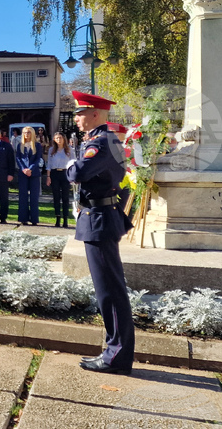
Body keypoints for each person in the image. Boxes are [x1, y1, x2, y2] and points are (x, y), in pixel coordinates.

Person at [68, 90, 134, 375]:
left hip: (100, 220)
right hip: (97, 217)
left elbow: (77, 173)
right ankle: (113, 350)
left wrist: (71, 166)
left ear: (96, 113)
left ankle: (116, 356)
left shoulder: (103, 141)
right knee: (107, 290)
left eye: (80, 113)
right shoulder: (101, 140)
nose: (77, 118)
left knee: (110, 292)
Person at [47, 131, 74, 229]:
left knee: (65, 197)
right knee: (56, 197)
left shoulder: (69, 150)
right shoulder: (51, 150)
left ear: (64, 139)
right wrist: (48, 176)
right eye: (57, 138)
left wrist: (72, 176)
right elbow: (49, 164)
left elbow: (73, 163)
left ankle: (65, 219)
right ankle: (57, 218)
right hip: (55, 174)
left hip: (65, 173)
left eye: (60, 138)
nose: (59, 140)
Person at [16, 126, 43, 226]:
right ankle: (23, 218)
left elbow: (37, 159)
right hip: (23, 174)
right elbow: (18, 158)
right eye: (24, 132)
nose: (26, 134)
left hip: (34, 173)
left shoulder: (37, 145)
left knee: (34, 197)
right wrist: (24, 169)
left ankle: (34, 219)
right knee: (23, 196)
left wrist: (30, 169)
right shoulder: (20, 145)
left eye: (28, 132)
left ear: (32, 133)